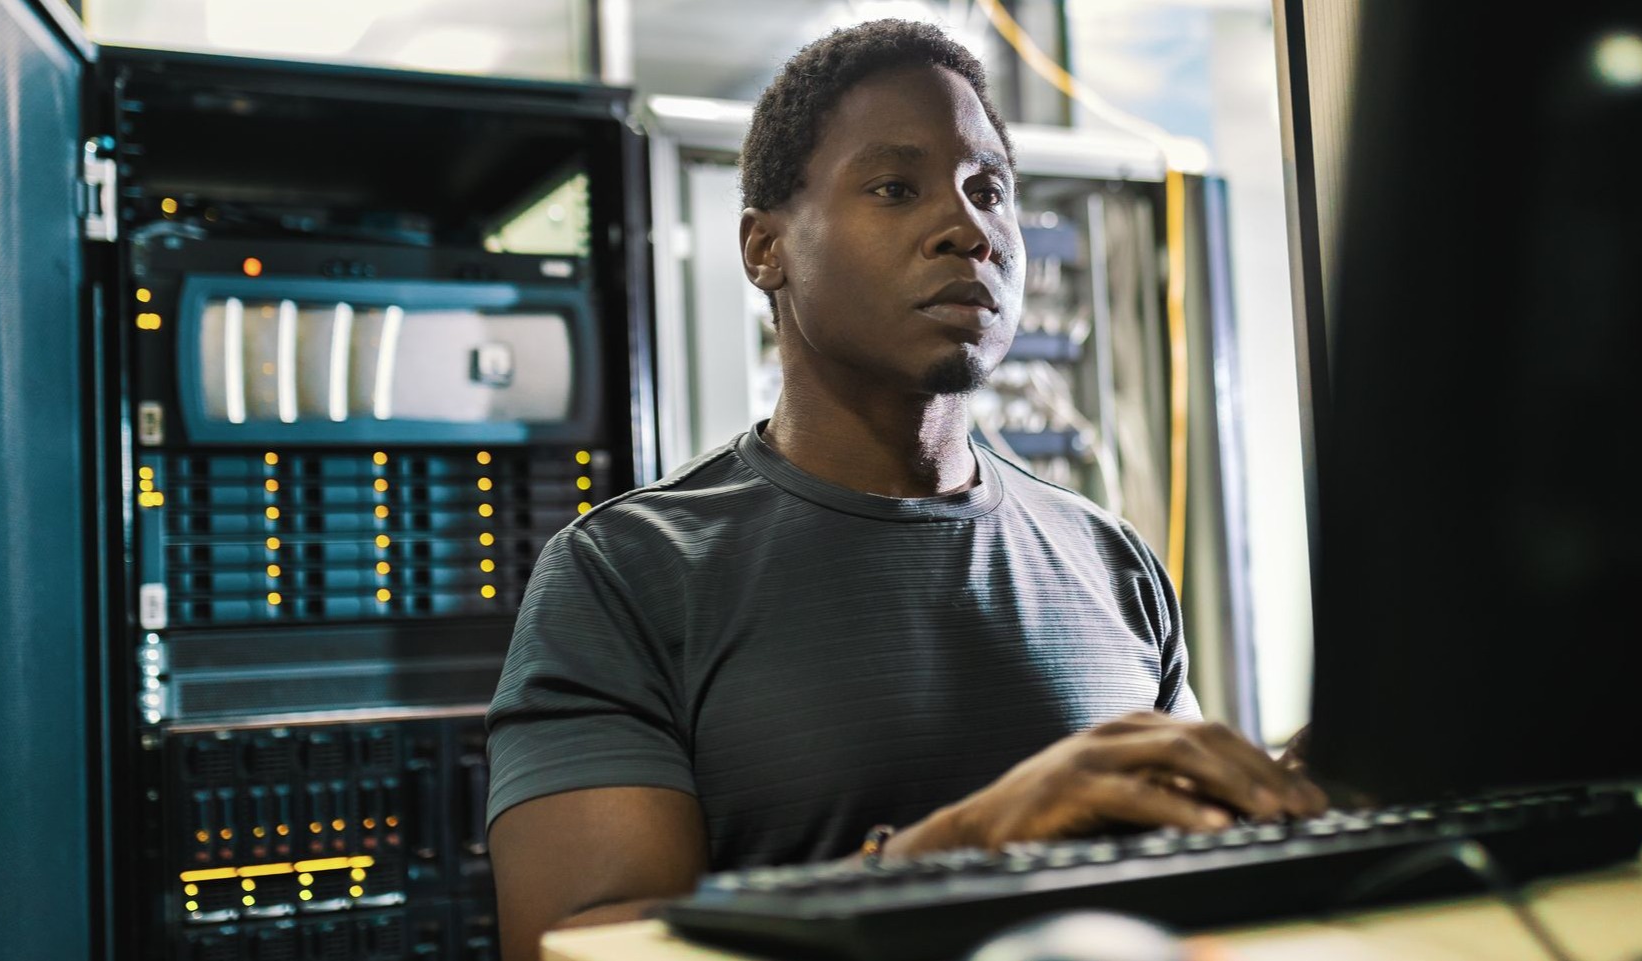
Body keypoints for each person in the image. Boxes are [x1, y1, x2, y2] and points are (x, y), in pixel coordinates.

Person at [485, 19, 1327, 959]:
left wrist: (1293, 801)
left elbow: (1189, 875)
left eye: (990, 190)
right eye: (895, 187)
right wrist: (956, 848)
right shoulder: (625, 573)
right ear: (766, 250)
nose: (967, 228)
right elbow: (570, 947)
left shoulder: (1106, 555)